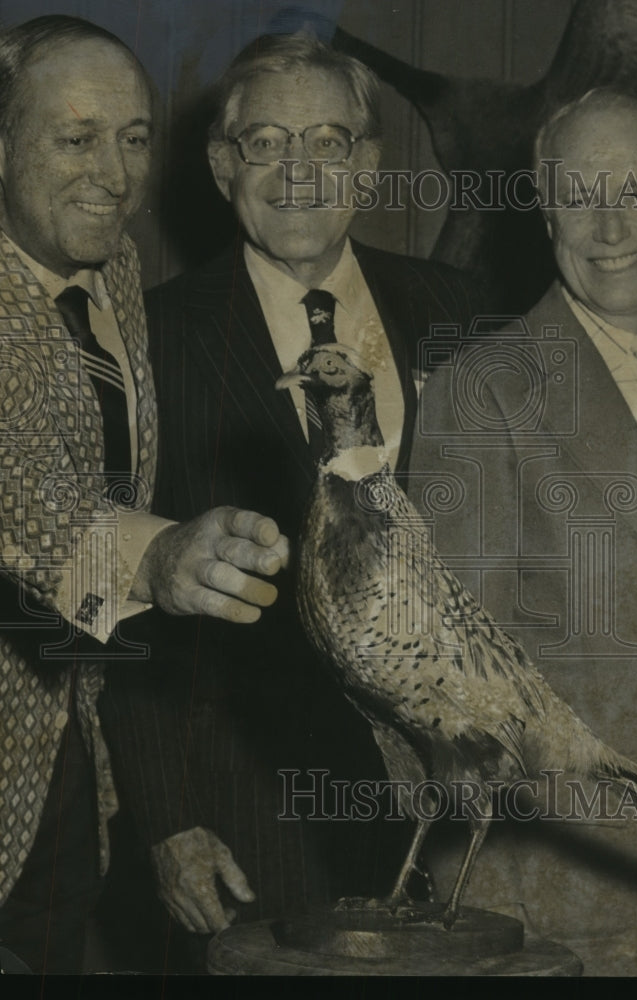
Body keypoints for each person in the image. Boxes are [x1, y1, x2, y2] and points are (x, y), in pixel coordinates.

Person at [101, 32, 484, 955]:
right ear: (223, 164)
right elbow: (118, 584)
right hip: (250, 810)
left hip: (459, 808)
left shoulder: (465, 315)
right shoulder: (143, 341)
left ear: (369, 164)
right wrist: (166, 820)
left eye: (327, 141)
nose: (298, 170)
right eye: (267, 142)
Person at [407, 87, 637, 976]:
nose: (611, 224)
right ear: (544, 210)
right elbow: (451, 691)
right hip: (574, 914)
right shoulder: (481, 392)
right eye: (579, 195)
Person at [0, 16, 289, 973]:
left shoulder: (114, 268)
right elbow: (27, 499)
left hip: (64, 777)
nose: (115, 176)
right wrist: (158, 556)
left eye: (132, 139)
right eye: (75, 138)